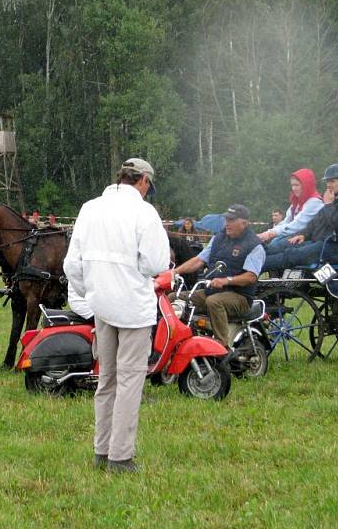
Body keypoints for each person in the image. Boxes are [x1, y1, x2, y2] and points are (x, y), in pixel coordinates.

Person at [64, 157, 169, 474]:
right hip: (133, 309)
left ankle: (101, 449)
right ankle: (121, 457)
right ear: (144, 182)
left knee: (106, 379)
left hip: (102, 307)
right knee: (129, 382)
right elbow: (156, 263)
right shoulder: (144, 212)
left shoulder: (90, 208)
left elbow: (73, 265)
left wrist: (92, 290)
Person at [171, 204, 265, 348]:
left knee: (214, 302)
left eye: (232, 220)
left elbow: (251, 277)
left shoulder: (254, 245)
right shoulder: (218, 239)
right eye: (226, 219)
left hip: (240, 296)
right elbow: (198, 260)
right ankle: (177, 341)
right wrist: (174, 272)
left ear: (244, 223)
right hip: (212, 290)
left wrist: (226, 281)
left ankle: (222, 347)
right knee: (173, 298)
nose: (227, 223)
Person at [261, 164, 338, 272]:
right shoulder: (334, 200)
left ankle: (256, 269)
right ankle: (252, 258)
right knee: (284, 245)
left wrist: (328, 205)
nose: (328, 185)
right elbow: (315, 222)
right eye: (327, 181)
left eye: (332, 181)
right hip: (324, 243)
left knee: (292, 255)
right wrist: (304, 234)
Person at [257, 169, 323, 247]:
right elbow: (286, 222)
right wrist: (268, 233)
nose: (293, 188)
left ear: (306, 185)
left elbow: (297, 225)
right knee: (271, 243)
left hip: (308, 238)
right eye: (292, 185)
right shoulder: (297, 203)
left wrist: (272, 233)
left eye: (297, 185)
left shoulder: (314, 202)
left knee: (275, 245)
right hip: (296, 236)